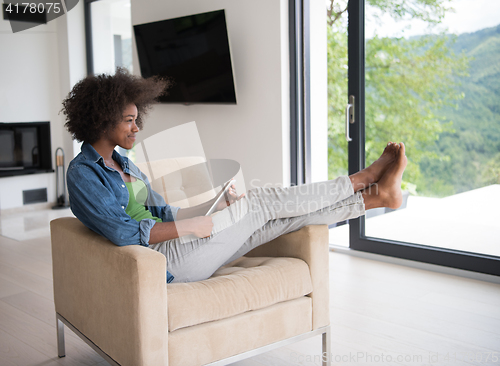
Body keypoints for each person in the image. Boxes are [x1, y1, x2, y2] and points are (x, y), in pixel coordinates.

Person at [62, 68, 407, 283]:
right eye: (129, 120)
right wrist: (188, 229)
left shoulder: (126, 165)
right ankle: (363, 177)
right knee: (262, 201)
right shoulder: (82, 174)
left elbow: (165, 213)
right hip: (164, 262)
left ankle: (372, 198)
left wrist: (211, 207)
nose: (137, 127)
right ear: (103, 119)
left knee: (274, 223)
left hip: (181, 246)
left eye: (138, 118)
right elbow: (123, 232)